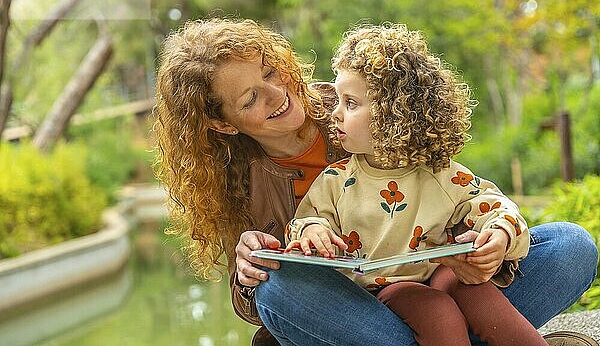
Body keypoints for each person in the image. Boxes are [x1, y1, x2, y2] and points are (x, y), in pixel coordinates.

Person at [153, 17, 599, 346]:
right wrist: (251, 269)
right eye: (251, 97)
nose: (277, 93)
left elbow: (453, 192)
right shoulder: (240, 182)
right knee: (276, 288)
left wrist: (486, 243)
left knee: (570, 245)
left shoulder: (363, 102)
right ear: (222, 123)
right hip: (359, 306)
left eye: (270, 73)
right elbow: (263, 302)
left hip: (439, 279)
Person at [284, 23, 549, 345]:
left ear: (394, 114)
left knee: (480, 294)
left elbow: (497, 208)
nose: (335, 114)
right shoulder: (335, 181)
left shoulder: (441, 174)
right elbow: (306, 221)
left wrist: (499, 236)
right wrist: (313, 232)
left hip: (443, 273)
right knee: (435, 310)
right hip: (384, 290)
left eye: (350, 103)